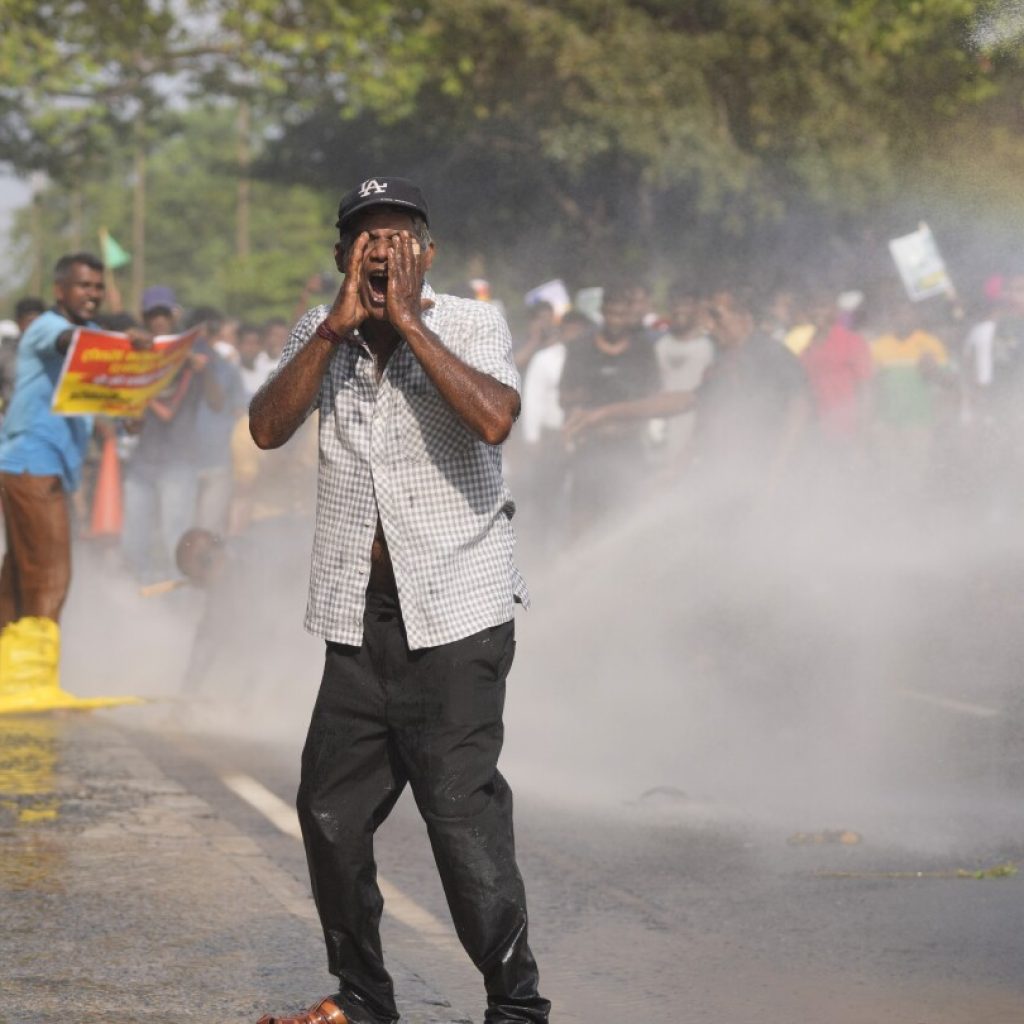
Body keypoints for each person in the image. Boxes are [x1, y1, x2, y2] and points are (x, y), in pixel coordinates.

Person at [249, 176, 549, 1024]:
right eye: (365, 241)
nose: (382, 254)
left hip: (458, 613)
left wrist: (410, 322)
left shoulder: (470, 323)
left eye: (399, 239)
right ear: (342, 256)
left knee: (459, 817)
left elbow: (495, 419)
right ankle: (364, 996)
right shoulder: (323, 330)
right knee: (328, 812)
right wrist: (337, 327)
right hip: (357, 617)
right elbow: (267, 427)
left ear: (427, 253)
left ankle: (517, 1004)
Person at [0, 254, 149, 685]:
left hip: (45, 467)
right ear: (60, 290)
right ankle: (35, 679)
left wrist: (131, 411)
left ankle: (10, 668)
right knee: (50, 570)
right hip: (31, 460)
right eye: (84, 286)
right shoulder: (48, 327)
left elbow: (118, 407)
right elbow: (70, 342)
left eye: (98, 287)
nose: (93, 294)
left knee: (20, 570)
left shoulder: (100, 338)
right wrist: (124, 340)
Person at [0, 297, 45, 415]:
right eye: (30, 322)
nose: (35, 328)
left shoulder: (51, 355)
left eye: (39, 323)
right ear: (18, 322)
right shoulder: (6, 355)